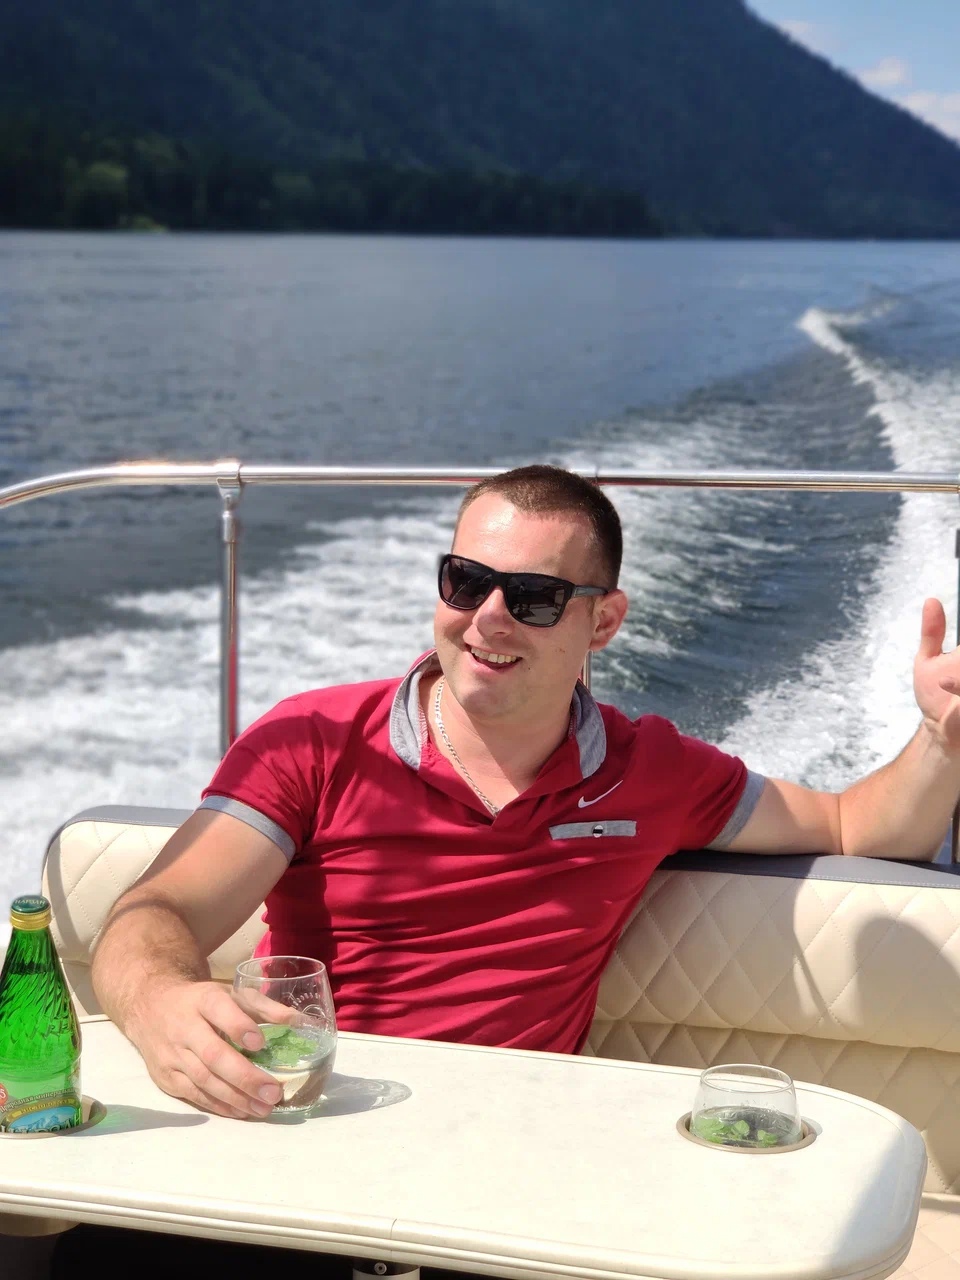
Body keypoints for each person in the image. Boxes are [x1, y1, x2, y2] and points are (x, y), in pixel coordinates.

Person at [91, 464, 960, 1122]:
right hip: (311, 1114)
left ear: (603, 622)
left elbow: (854, 823)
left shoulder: (652, 770)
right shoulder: (313, 741)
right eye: (466, 581)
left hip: (512, 1144)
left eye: (536, 598)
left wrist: (940, 738)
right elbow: (156, 914)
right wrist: (158, 999)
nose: (488, 617)